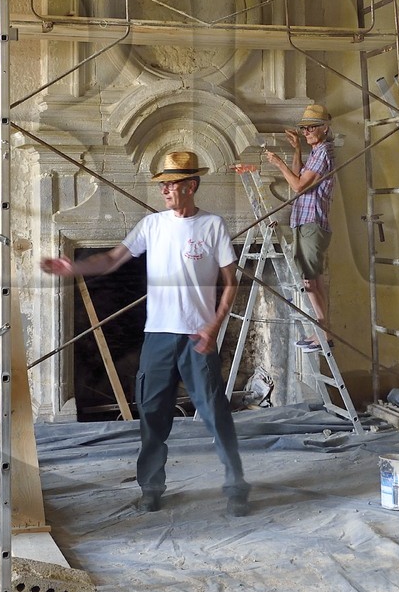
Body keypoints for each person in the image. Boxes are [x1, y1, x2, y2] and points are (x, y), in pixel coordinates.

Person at [39, 151, 250, 517]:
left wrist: (214, 327)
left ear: (191, 186)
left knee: (216, 413)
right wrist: (74, 267)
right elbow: (111, 259)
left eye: (171, 184)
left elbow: (230, 282)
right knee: (152, 416)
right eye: (162, 184)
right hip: (158, 337)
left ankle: (236, 487)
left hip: (197, 337)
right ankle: (151, 488)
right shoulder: (152, 225)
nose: (164, 190)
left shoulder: (212, 225)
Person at [263, 103, 335, 353]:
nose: (306, 132)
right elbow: (298, 176)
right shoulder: (315, 152)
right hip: (304, 222)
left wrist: (278, 163)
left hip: (312, 223)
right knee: (314, 280)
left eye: (311, 128)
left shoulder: (324, 152)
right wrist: (296, 150)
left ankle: (323, 335)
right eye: (304, 129)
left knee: (309, 281)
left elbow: (298, 186)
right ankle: (322, 333)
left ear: (325, 128)